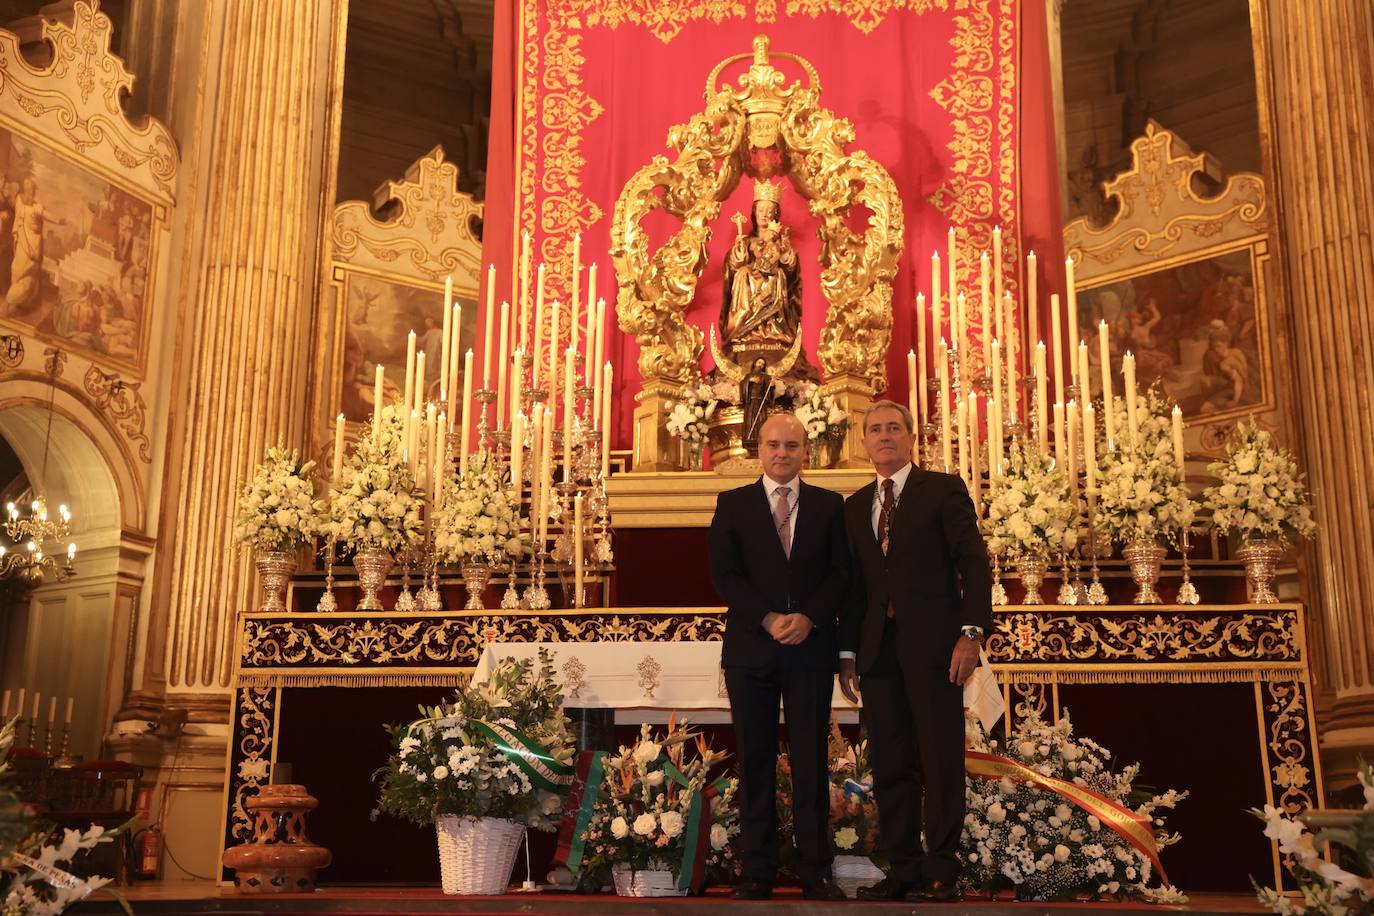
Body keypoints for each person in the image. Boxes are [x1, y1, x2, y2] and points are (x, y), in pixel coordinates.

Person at [838, 400, 992, 902]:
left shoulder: (942, 490)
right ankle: (903, 868)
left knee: (940, 758)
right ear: (865, 442)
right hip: (878, 655)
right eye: (875, 429)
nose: (884, 436)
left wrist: (972, 633)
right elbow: (852, 588)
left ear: (910, 438)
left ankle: (942, 869)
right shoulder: (856, 505)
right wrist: (847, 653)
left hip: (936, 651)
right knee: (890, 762)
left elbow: (974, 563)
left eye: (893, 428)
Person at [707, 412, 850, 902]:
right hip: (751, 650)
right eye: (773, 445)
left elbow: (841, 575)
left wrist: (810, 616)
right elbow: (725, 575)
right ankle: (757, 872)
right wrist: (768, 619)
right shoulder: (733, 504)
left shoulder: (831, 506)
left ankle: (815, 871)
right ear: (759, 449)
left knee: (811, 760)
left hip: (810, 648)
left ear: (805, 451)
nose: (782, 453)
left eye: (792, 445)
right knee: (756, 761)